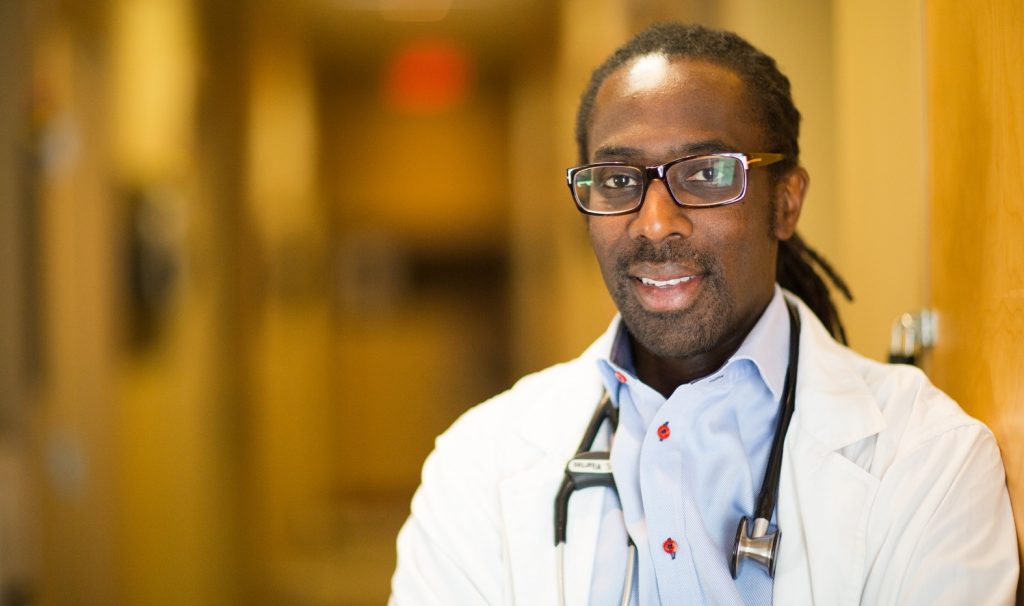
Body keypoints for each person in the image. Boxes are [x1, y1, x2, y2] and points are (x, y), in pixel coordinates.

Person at [389, 23, 1018, 605]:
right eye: (615, 180)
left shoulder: (928, 461)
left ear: (787, 203)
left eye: (708, 173)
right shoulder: (479, 466)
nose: (656, 222)